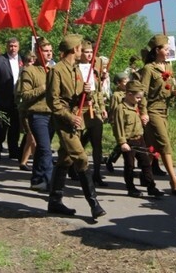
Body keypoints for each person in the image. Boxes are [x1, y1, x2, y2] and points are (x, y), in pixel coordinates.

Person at [46, 34, 106, 219]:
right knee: (81, 158)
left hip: (77, 118)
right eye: (81, 48)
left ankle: (54, 201)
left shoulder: (77, 70)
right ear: (74, 50)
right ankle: (94, 204)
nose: (83, 51)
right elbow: (53, 101)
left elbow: (80, 97)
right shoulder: (57, 71)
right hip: (64, 121)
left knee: (65, 159)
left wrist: (86, 94)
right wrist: (69, 117)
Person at [139, 34, 176, 196]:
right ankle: (174, 180)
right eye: (166, 49)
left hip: (165, 110)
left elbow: (168, 87)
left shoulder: (168, 67)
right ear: (157, 50)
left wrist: (174, 92)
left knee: (153, 146)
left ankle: (145, 174)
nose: (168, 51)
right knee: (164, 143)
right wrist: (143, 112)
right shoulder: (148, 69)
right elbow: (142, 93)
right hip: (152, 110)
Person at [112, 80, 163, 198]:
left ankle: (151, 187)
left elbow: (142, 106)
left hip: (140, 139)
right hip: (128, 141)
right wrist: (122, 142)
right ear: (129, 94)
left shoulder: (136, 106)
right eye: (138, 97)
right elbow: (118, 126)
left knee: (146, 163)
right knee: (130, 165)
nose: (140, 100)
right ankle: (131, 188)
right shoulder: (121, 108)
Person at [18, 38, 54, 192]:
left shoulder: (54, 70)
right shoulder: (29, 71)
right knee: (46, 149)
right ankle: (49, 182)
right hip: (37, 114)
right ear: (38, 52)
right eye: (46, 51)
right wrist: (44, 88)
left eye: (51, 51)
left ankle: (36, 179)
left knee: (41, 149)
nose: (49, 54)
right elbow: (24, 95)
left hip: (52, 114)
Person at [78, 41, 108, 187]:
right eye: (86, 52)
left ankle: (97, 173)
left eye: (91, 52)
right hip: (80, 108)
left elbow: (99, 92)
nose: (89, 55)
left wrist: (102, 107)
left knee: (97, 143)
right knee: (76, 143)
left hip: (94, 109)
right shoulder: (75, 69)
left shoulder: (94, 70)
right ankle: (75, 169)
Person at [0, 37, 23, 160]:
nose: (13, 48)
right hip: (2, 99)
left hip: (17, 100)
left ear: (18, 47)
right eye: (10, 46)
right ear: (7, 47)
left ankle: (13, 151)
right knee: (1, 128)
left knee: (15, 127)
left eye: (15, 46)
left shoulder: (22, 59)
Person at [15, 49, 37, 171]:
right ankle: (38, 162)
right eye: (29, 60)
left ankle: (23, 161)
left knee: (30, 138)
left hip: (34, 109)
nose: (32, 62)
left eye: (34, 60)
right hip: (26, 110)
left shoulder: (34, 73)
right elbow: (19, 94)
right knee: (32, 138)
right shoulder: (23, 75)